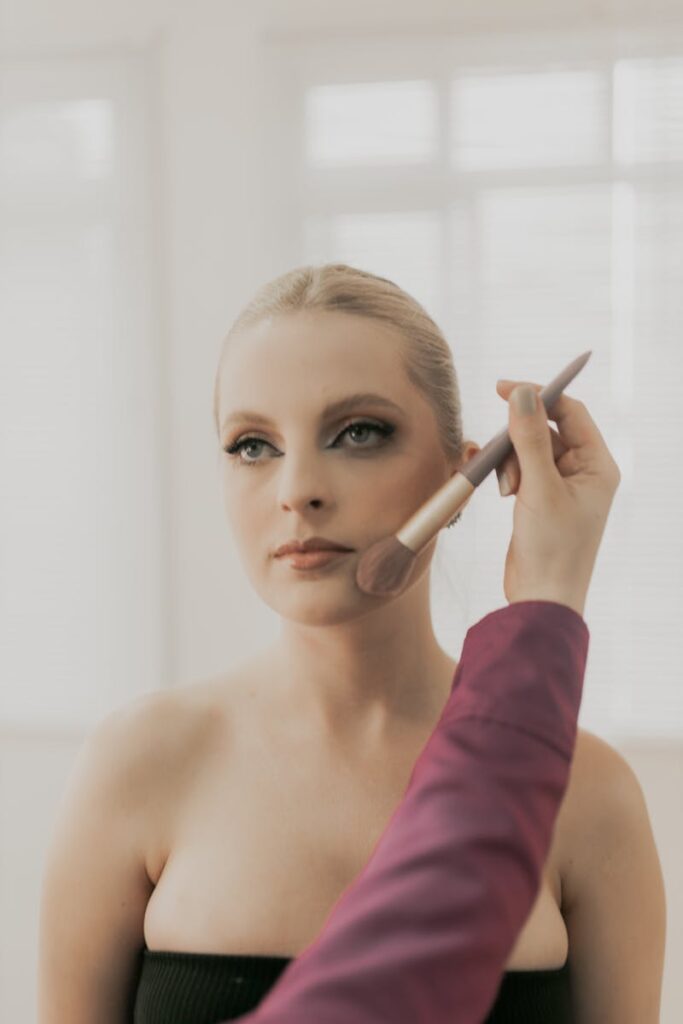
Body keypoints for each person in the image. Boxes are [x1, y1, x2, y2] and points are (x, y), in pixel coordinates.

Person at [37, 265, 666, 1024]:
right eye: (250, 445)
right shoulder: (140, 764)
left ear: (465, 471)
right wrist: (547, 606)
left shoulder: (590, 794)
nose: (296, 488)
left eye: (359, 432)